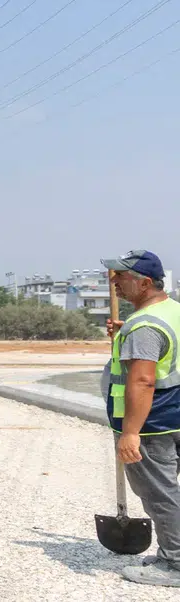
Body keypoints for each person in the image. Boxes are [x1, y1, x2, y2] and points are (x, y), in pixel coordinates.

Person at [102, 250, 180, 588]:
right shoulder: (171, 311)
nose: (114, 282)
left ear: (145, 283)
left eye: (122, 276)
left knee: (160, 494)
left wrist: (130, 433)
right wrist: (126, 334)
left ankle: (174, 563)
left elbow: (143, 380)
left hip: (153, 424)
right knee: (169, 491)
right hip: (174, 416)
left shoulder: (144, 326)